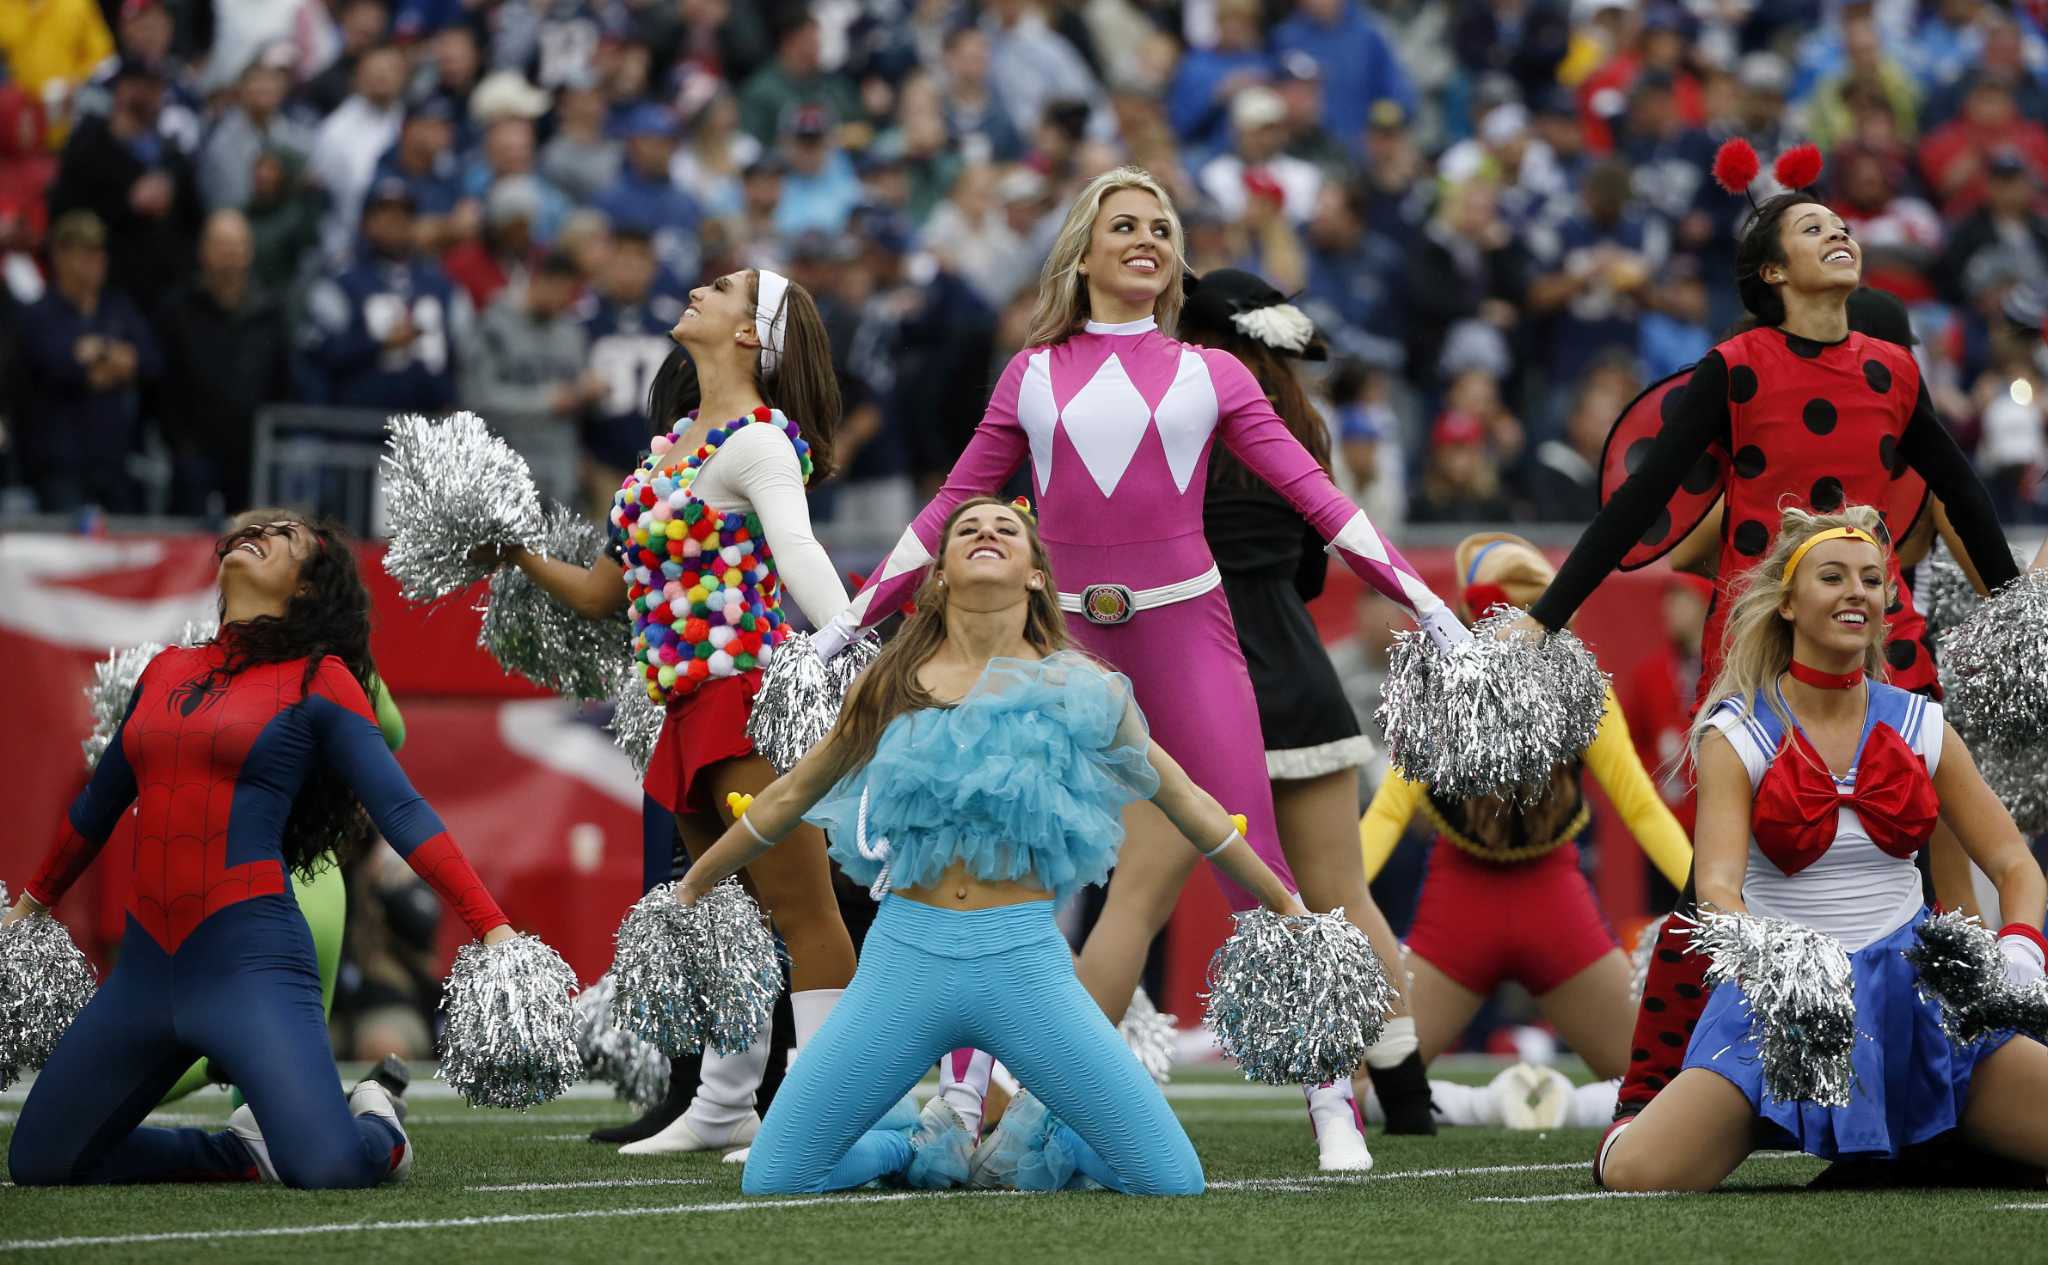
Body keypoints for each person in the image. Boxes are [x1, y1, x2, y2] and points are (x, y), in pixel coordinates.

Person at [812, 167, 1469, 1171]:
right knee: (989, 858)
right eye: (1122, 224)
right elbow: (950, 502)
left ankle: (1328, 1096)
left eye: (1159, 227)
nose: (1144, 238)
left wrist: (1423, 602)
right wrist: (852, 618)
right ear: (1080, 252)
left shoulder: (1214, 375)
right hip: (1063, 642)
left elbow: (1316, 499)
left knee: (1257, 865)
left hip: (1184, 634)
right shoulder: (1029, 374)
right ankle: (956, 1099)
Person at [1523, 156, 2026, 1124]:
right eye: (1810, 229)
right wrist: (1544, 621)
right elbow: (1640, 500)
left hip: (1887, 645)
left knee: (1925, 868)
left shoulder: (1891, 369)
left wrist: (2015, 617)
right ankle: (1653, 1091)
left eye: (1841, 222)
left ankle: (1942, 1087)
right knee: (1713, 877)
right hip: (1759, 650)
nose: (1838, 233)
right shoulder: (1733, 367)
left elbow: (1960, 489)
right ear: (1767, 275)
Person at [688, 496, 1304, 1196]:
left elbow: (1189, 801)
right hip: (904, 959)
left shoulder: (1085, 686)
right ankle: (908, 1146)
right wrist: (691, 885)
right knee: (774, 1176)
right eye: (967, 530)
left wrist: (1283, 900)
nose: (986, 532)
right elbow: (790, 794)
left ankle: (1048, 1137)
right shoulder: (890, 681)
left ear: (1038, 574)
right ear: (941, 572)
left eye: (1006, 528)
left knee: (1171, 1179)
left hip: (1023, 964)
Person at [5, 514, 514, 1188]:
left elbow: (402, 810)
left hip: (252, 964)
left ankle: (377, 1120)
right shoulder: (164, 670)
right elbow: (93, 810)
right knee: (41, 1160)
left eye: (286, 537)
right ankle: (237, 1153)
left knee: (330, 1167)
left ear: (307, 590)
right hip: (145, 974)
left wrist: (494, 928)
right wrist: (28, 908)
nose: (260, 533)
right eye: (257, 528)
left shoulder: (321, 679)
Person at [477, 264, 859, 1160]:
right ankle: (726, 1105)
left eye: (723, 288)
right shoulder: (668, 447)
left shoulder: (760, 443)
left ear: (751, 332)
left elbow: (798, 553)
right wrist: (514, 549)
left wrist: (848, 643)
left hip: (747, 693)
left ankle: (820, 1105)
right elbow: (608, 591)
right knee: (720, 912)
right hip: (678, 701)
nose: (699, 289)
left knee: (801, 907)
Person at [1597, 506, 2048, 1191]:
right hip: (1785, 1003)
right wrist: (1782, 966)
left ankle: (1929, 1140)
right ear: (1788, 601)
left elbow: (2016, 864)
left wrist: (2018, 949)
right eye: (1832, 576)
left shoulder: (1923, 722)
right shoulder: (1736, 729)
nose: (1855, 592)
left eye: (1871, 579)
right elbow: (1716, 887)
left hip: (1918, 1002)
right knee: (1639, 1172)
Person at [1182, 267, 1433, 1134]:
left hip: (1197, 681)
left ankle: (1043, 1101)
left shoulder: (1177, 422)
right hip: (1301, 680)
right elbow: (1314, 571)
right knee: (1345, 895)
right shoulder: (1303, 426)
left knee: (1136, 895)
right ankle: (1406, 1095)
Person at [1360, 533, 1692, 1087]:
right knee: (1364, 1083)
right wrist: (1326, 905)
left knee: (1658, 1085)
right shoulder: (1442, 688)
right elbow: (1390, 812)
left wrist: (1712, 899)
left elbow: (1641, 807)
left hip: (1555, 908)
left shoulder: (1580, 688)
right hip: (1457, 911)